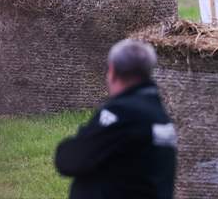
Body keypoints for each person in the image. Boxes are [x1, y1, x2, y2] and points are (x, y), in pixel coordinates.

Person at [55, 39, 177, 199]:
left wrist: (82, 134)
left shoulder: (122, 113)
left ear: (112, 71)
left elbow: (70, 160)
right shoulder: (160, 116)